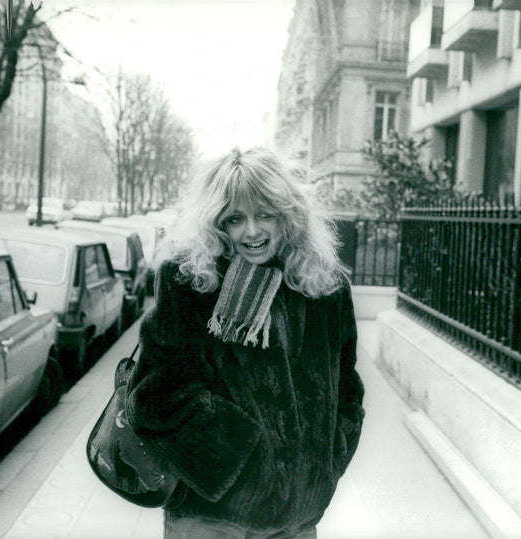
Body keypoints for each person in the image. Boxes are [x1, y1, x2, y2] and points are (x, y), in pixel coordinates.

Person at [125, 146, 365, 538]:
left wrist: (326, 462)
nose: (252, 231)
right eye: (235, 219)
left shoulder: (325, 284)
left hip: (298, 518)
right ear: (216, 223)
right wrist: (245, 462)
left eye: (265, 214)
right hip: (212, 515)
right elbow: (157, 397)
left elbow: (347, 390)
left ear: (288, 214)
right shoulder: (191, 280)